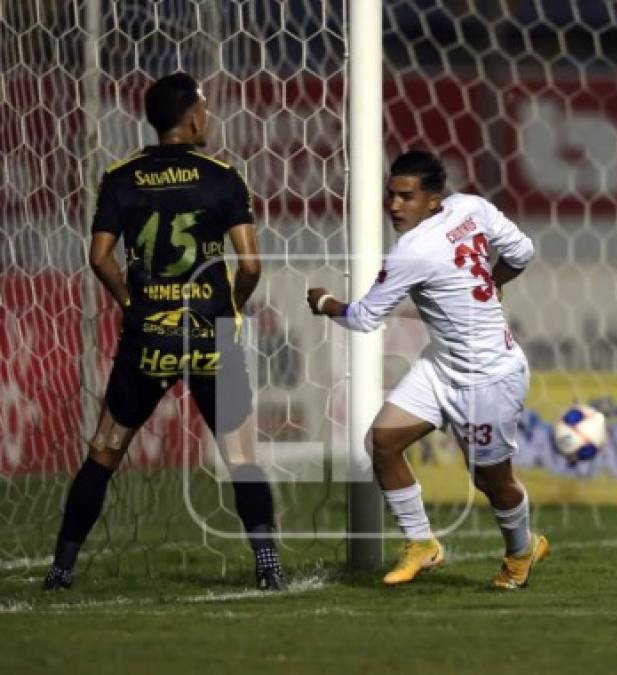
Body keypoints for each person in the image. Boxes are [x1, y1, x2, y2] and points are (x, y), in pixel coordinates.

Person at [42, 73, 285, 591]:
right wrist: (231, 312)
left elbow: (99, 257)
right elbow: (250, 266)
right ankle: (268, 568)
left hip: (148, 335)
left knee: (106, 450)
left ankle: (61, 570)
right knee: (241, 457)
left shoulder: (121, 176)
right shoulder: (221, 176)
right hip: (209, 335)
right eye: (204, 108)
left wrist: (133, 303)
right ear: (194, 117)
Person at [307, 150, 549, 589]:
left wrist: (325, 303)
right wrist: (492, 284)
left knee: (493, 483)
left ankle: (521, 551)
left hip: (490, 377)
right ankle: (422, 544)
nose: (395, 206)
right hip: (443, 365)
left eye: (407, 197)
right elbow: (522, 251)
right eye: (391, 195)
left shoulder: (411, 251)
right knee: (382, 442)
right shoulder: (471, 207)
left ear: (434, 200)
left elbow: (362, 318)